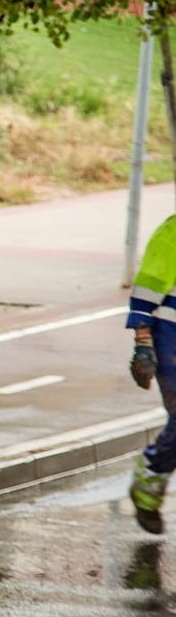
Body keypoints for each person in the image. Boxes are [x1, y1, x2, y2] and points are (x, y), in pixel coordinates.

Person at [127, 214, 176, 534]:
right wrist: (143, 344)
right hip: (171, 338)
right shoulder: (173, 232)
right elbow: (146, 290)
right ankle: (150, 474)